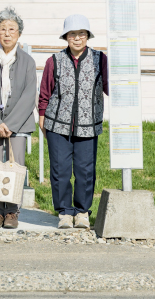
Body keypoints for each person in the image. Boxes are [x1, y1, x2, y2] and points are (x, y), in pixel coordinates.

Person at [39, 14, 109, 230]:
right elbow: (45, 92)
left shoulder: (100, 59)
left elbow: (109, 87)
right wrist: (42, 119)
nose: (77, 38)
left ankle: (82, 212)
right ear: (66, 37)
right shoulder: (54, 60)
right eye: (72, 34)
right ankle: (64, 212)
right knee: (60, 170)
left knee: (85, 170)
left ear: (87, 36)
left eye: (81, 34)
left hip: (89, 125)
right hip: (57, 125)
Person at [0, 6, 37, 230]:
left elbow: (30, 95)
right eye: (3, 29)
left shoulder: (28, 62)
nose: (8, 33)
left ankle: (11, 212)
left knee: (15, 166)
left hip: (17, 125)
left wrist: (9, 125)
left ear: (19, 33)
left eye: (12, 29)